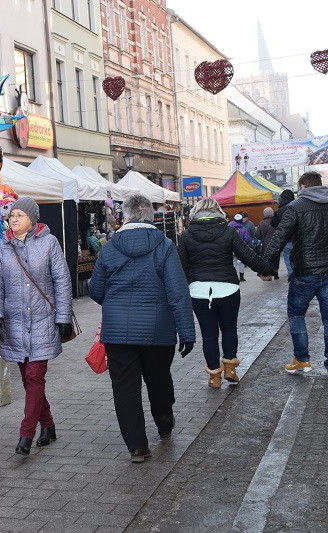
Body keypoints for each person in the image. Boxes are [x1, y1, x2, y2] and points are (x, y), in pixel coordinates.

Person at [88, 194, 196, 463]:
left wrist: (116, 304)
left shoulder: (109, 249)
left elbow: (96, 290)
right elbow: (178, 292)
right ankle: (164, 421)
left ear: (124, 216)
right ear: (152, 216)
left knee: (125, 387)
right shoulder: (165, 246)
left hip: (117, 332)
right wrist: (187, 333)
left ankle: (137, 446)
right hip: (158, 330)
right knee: (159, 380)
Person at [0, 197, 73, 456]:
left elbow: (62, 280)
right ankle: (48, 425)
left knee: (35, 377)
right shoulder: (3, 247)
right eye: (12, 215)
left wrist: (64, 317)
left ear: (32, 219)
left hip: (42, 321)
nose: (14, 219)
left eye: (20, 215)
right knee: (28, 379)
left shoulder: (49, 243)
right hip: (14, 323)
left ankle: (26, 434)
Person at [177, 199, 269, 388]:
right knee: (229, 329)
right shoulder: (228, 231)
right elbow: (247, 255)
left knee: (209, 335)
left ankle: (214, 377)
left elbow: (181, 266)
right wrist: (265, 270)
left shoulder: (187, 235)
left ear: (195, 213)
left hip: (200, 292)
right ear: (218, 212)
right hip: (228, 288)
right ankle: (230, 369)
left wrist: (187, 285)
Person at [263, 171, 328, 373]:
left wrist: (266, 268)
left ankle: (302, 359)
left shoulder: (296, 206)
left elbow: (279, 238)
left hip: (304, 271)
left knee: (296, 314)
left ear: (302, 187)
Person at [271, 189, 296, 277]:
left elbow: (273, 225)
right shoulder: (297, 207)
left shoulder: (278, 212)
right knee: (298, 257)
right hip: (297, 240)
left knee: (287, 258)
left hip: (286, 240)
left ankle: (291, 274)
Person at [256, 206, 278, 279]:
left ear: (264, 214)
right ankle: (276, 273)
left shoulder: (261, 223)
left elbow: (257, 234)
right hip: (276, 242)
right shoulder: (276, 222)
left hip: (265, 244)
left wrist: (262, 238)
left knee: (267, 259)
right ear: (272, 213)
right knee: (275, 257)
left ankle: (268, 274)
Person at [229, 213, 251, 281]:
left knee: (233, 262)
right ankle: (241, 277)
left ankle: (233, 276)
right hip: (241, 249)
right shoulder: (244, 229)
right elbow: (247, 239)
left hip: (231, 248)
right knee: (241, 262)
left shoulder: (229, 227)